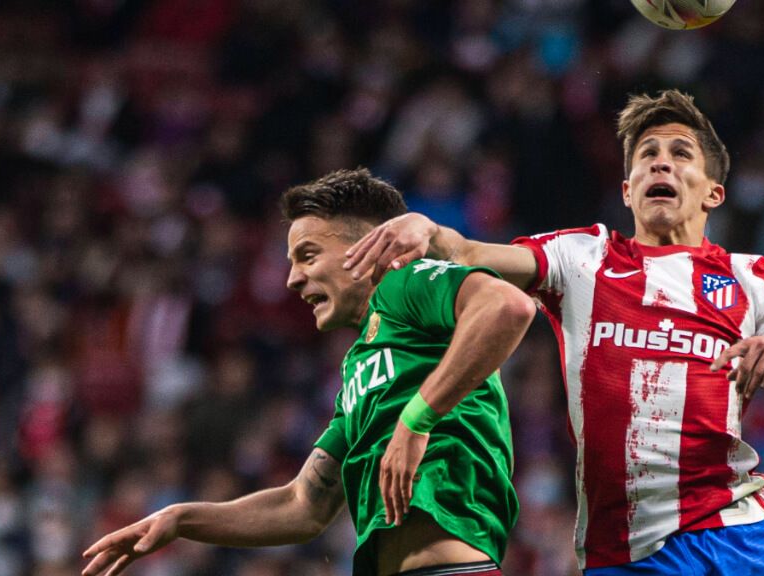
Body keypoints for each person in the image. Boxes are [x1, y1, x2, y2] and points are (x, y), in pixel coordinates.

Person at [343, 90, 764, 575]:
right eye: (647, 154)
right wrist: (428, 229)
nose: (660, 161)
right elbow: (469, 252)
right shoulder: (582, 258)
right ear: (627, 190)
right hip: (624, 551)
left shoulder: (749, 278)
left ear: (713, 193)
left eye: (681, 153)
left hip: (739, 538)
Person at [81, 168, 536, 576]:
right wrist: (181, 519)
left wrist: (416, 419)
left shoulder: (405, 281)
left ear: (367, 248)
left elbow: (507, 305)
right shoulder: (361, 365)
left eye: (308, 255)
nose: (293, 278)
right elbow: (303, 505)